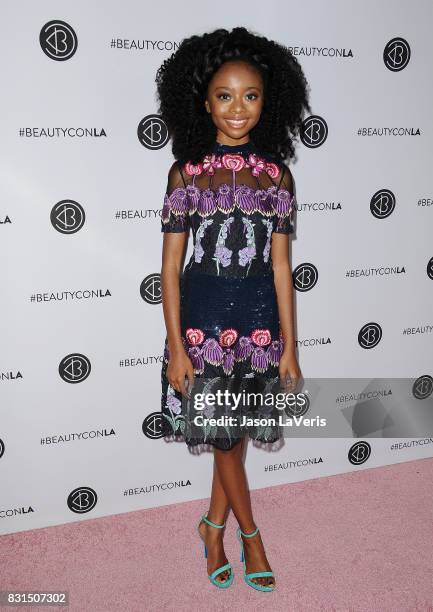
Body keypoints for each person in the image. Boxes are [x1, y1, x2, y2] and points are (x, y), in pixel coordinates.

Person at [155, 26, 310, 592]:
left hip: (259, 321)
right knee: (223, 438)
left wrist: (290, 347)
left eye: (250, 95)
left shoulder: (277, 177)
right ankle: (250, 536)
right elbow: (170, 268)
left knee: (234, 434)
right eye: (225, 95)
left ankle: (211, 527)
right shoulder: (186, 173)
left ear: (268, 103)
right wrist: (176, 346)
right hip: (201, 320)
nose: (237, 109)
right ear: (203, 101)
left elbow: (281, 267)